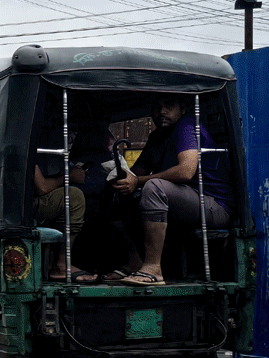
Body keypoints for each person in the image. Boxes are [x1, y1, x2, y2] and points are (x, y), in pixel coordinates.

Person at [107, 95, 232, 285]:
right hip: (185, 202)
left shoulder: (187, 126)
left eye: (169, 105)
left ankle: (153, 269)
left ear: (182, 109)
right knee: (122, 194)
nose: (162, 111)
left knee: (154, 188)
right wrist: (119, 178)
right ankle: (135, 261)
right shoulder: (157, 136)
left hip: (214, 205)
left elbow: (185, 171)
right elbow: (135, 174)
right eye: (157, 107)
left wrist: (138, 181)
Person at [33, 124, 94, 283]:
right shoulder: (23, 140)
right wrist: (69, 176)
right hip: (23, 206)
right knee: (74, 197)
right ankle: (60, 265)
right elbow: (42, 187)